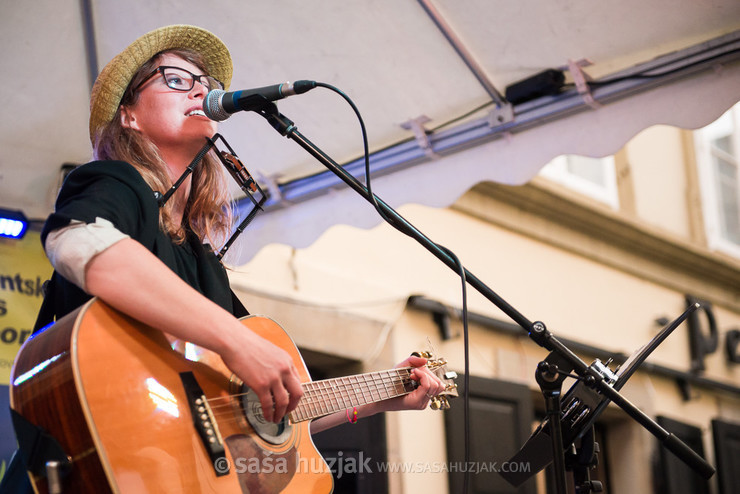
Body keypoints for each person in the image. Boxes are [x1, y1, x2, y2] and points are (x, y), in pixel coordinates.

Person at [1, 24, 444, 492]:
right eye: (175, 79)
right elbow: (78, 241)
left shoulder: (201, 258)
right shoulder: (116, 183)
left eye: (206, 84)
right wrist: (237, 341)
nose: (201, 88)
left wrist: (379, 397)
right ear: (127, 114)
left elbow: (265, 415)